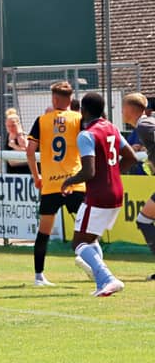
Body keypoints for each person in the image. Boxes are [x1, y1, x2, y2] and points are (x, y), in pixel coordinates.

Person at [62, 92, 137, 297]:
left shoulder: (87, 134)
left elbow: (89, 172)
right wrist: (113, 174)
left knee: (78, 243)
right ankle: (101, 284)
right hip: (116, 193)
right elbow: (130, 156)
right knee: (92, 238)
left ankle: (108, 278)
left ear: (83, 111)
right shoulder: (112, 128)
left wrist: (68, 181)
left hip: (98, 196)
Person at [27, 81, 87, 286]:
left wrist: (37, 176)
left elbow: (29, 150)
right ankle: (96, 269)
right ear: (70, 99)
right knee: (88, 228)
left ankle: (38, 276)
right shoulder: (79, 119)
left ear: (53, 99)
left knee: (43, 232)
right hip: (75, 182)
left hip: (51, 185)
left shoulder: (42, 121)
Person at [122, 92, 155, 278]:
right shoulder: (144, 125)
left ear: (128, 109)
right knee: (144, 220)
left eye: (122, 107)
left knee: (144, 220)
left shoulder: (144, 125)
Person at [4, 108, 30, 174]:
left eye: (13, 126)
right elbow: (10, 161)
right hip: (11, 174)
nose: (10, 128)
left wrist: (14, 146)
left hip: (24, 174)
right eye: (8, 126)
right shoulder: (8, 136)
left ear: (18, 124)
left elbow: (27, 151)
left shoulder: (22, 136)